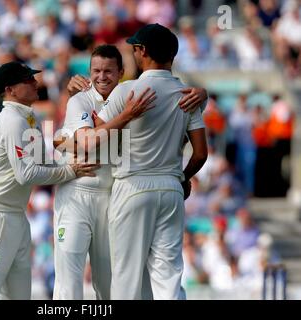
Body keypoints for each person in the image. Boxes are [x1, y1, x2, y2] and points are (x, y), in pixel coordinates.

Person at [54, 44, 208, 300]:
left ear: (122, 72)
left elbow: (173, 116)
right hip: (77, 194)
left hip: (111, 194)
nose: (101, 77)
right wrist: (64, 143)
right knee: (69, 280)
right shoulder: (81, 99)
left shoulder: (131, 95)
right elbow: (83, 142)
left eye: (108, 71)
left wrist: (204, 94)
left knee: (110, 281)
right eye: (96, 71)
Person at [0, 61, 100, 300]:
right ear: (11, 90)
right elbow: (26, 174)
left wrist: (73, 165)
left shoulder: (29, 119)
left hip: (16, 216)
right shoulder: (12, 120)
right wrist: (70, 171)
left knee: (19, 296)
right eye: (28, 80)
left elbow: (43, 164)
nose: (36, 83)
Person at [95, 24, 208, 299]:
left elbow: (97, 135)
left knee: (126, 276)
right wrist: (181, 177)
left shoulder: (126, 91)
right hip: (170, 187)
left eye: (135, 49)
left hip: (132, 186)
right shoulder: (188, 94)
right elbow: (201, 153)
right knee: (168, 275)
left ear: (142, 51)